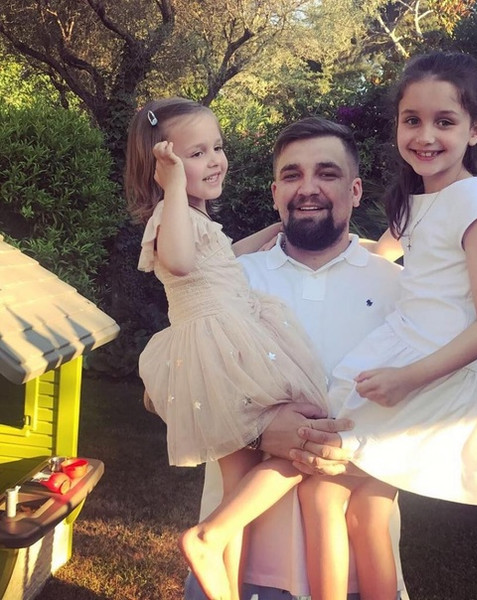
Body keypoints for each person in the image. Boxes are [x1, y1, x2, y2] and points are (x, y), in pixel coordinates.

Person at [297, 50, 477, 599]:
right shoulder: (419, 201)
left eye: (445, 121)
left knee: (329, 495)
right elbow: (377, 253)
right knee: (358, 507)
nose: (425, 135)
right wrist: (287, 240)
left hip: (435, 376)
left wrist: (407, 378)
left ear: (475, 129)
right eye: (412, 119)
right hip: (407, 359)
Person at [185, 117, 409, 600]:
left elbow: (440, 410)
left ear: (354, 190)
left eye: (327, 173)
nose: (308, 188)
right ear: (275, 193)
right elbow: (163, 392)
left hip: (361, 576)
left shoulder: (401, 290)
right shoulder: (230, 281)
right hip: (234, 576)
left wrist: (360, 449)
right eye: (292, 175)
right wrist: (256, 431)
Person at [125, 99, 340, 599]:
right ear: (163, 166)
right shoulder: (170, 214)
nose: (215, 161)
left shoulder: (193, 219)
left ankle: (220, 568)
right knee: (303, 442)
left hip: (226, 344)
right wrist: (172, 187)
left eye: (217, 147)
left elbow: (219, 261)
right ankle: (207, 538)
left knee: (236, 489)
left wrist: (275, 230)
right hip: (219, 351)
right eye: (196, 153)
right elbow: (181, 262)